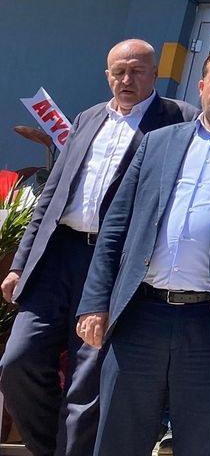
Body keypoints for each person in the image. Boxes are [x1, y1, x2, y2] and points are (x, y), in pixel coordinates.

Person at [75, 47, 210, 456]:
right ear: (201, 86)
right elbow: (116, 228)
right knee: (118, 439)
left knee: (202, 442)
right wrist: (95, 302)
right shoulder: (157, 142)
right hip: (140, 316)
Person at [0, 39, 198, 456]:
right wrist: (20, 264)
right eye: (118, 72)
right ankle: (50, 447)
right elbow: (52, 196)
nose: (127, 79)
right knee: (17, 362)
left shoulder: (178, 119)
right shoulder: (88, 118)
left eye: (137, 71)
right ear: (107, 75)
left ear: (155, 73)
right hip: (57, 258)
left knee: (86, 382)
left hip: (114, 263)